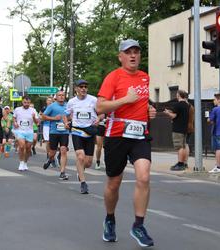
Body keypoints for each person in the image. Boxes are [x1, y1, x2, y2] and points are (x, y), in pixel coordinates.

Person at [96, 39, 156, 247]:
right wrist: (124, 101)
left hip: (140, 134)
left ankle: (138, 225)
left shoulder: (145, 78)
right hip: (117, 134)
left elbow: (142, 102)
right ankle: (110, 219)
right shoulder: (113, 77)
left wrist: (149, 110)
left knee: (144, 176)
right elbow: (100, 107)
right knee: (114, 183)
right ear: (120, 56)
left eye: (136, 52)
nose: (133, 55)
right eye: (128, 52)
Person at [63, 79, 99, 194]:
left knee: (88, 162)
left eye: (85, 87)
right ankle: (83, 183)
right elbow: (66, 114)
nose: (83, 88)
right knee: (80, 156)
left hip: (90, 131)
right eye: (81, 86)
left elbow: (102, 112)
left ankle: (80, 170)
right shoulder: (72, 101)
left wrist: (98, 118)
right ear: (76, 89)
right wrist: (65, 123)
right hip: (77, 131)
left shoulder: (93, 100)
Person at [42, 90, 69, 180]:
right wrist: (54, 118)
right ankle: (50, 159)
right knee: (52, 152)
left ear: (65, 96)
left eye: (63, 95)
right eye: (59, 95)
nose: (61, 96)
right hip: (54, 132)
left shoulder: (68, 106)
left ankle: (62, 172)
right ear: (56, 97)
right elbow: (43, 116)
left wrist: (68, 121)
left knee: (63, 150)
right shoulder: (52, 106)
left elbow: (70, 116)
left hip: (64, 132)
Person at [164, 90, 189, 171]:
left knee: (179, 147)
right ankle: (184, 163)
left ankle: (180, 163)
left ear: (179, 95)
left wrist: (168, 113)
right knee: (183, 146)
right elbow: (180, 113)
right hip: (184, 128)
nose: (176, 95)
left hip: (177, 128)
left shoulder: (178, 105)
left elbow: (174, 116)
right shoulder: (187, 105)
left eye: (177, 94)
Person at [13, 96, 39, 171]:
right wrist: (15, 123)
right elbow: (14, 118)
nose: (26, 104)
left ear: (30, 103)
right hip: (20, 131)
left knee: (28, 149)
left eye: (28, 103)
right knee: (21, 146)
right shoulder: (17, 109)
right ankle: (21, 162)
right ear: (22, 102)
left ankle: (25, 162)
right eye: (25, 102)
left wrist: (34, 117)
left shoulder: (33, 110)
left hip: (29, 131)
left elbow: (37, 122)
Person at [208, 93, 220, 173]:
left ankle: (218, 167)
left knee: (217, 149)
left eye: (215, 99)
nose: (213, 101)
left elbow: (210, 120)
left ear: (219, 100)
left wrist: (209, 120)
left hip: (217, 131)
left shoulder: (215, 109)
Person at [184, 93, 194, 168]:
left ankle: (184, 162)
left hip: (184, 127)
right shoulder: (191, 106)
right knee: (186, 143)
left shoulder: (185, 106)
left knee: (184, 144)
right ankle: (185, 162)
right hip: (190, 127)